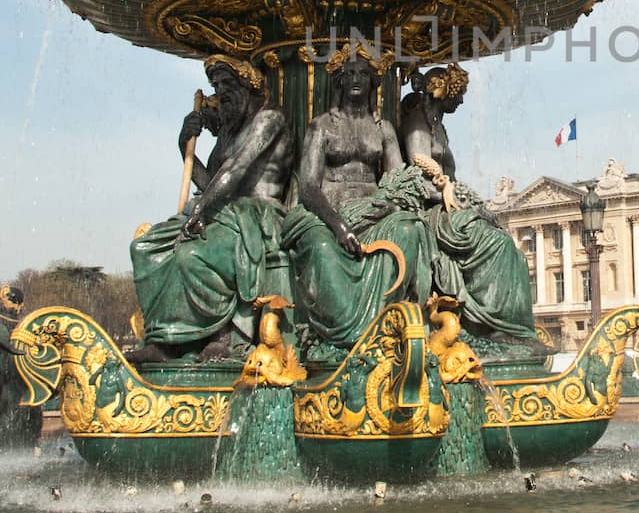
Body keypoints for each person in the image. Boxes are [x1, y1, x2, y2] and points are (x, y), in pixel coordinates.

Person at [130, 57, 293, 361]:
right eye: (216, 86)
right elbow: (211, 182)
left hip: (258, 215)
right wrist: (184, 146)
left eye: (227, 84)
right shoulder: (229, 131)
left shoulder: (269, 118)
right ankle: (166, 340)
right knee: (147, 248)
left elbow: (236, 169)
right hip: (223, 210)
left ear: (249, 85)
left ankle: (223, 335)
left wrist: (201, 209)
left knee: (192, 254)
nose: (220, 93)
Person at [282, 48, 435, 349]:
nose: (356, 79)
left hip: (372, 211)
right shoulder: (322, 126)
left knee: (409, 228)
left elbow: (398, 180)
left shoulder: (384, 129)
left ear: (373, 83)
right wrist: (338, 226)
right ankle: (341, 335)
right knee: (322, 248)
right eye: (349, 73)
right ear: (339, 81)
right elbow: (309, 188)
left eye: (363, 74)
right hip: (326, 214)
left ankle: (387, 322)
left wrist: (391, 205)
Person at [399, 64, 540, 349]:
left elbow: (449, 178)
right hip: (427, 207)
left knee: (505, 243)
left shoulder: (439, 127)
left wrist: (467, 200)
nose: (461, 100)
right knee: (496, 245)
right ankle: (494, 325)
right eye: (458, 93)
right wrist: (450, 195)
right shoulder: (417, 121)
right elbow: (416, 170)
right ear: (441, 89)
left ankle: (509, 328)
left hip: (447, 203)